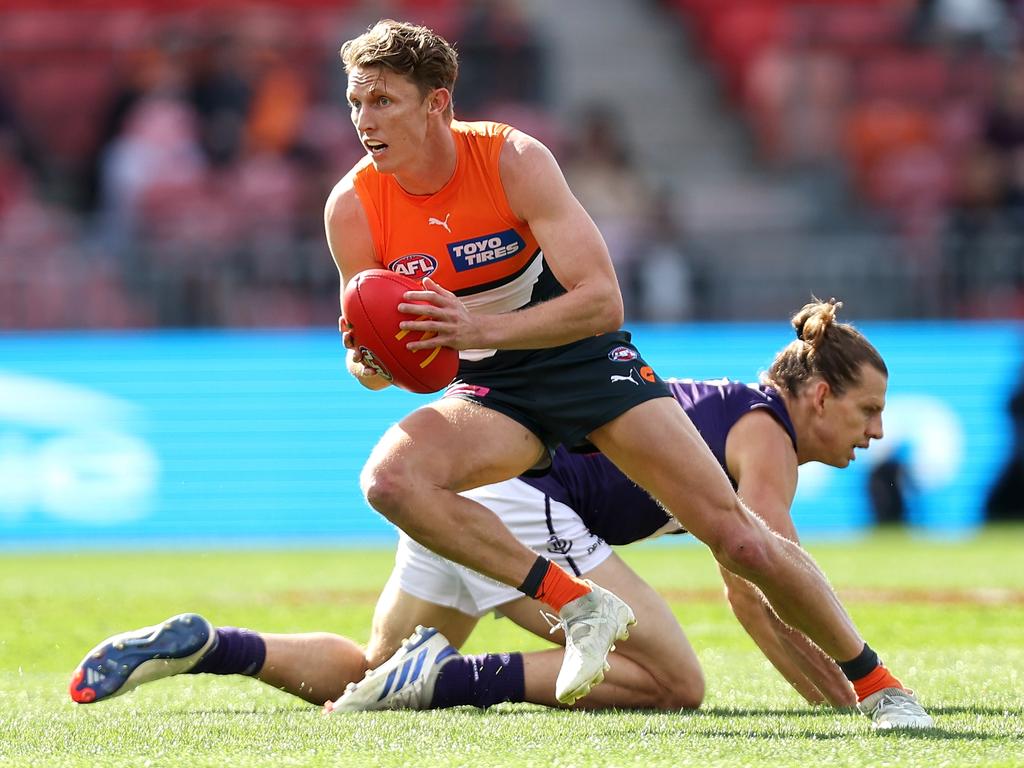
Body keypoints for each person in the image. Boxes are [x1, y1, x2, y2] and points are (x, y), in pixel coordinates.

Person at [320, 19, 931, 727]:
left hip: (582, 359)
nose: (364, 120)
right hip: (491, 387)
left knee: (737, 536)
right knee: (390, 480)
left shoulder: (512, 159)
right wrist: (368, 364)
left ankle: (881, 684)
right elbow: (377, 363)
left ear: (439, 105)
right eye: (356, 101)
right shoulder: (352, 207)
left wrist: (480, 327)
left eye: (384, 101)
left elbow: (602, 301)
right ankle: (577, 603)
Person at [73, 300, 923, 727]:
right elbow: (756, 583)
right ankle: (444, 682)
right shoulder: (764, 431)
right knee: (674, 684)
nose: (876, 431)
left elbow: (750, 583)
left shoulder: (741, 413)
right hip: (525, 506)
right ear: (816, 395)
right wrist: (847, 700)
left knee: (374, 665)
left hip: (477, 506)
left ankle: (210, 646)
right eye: (866, 411)